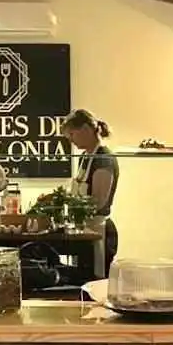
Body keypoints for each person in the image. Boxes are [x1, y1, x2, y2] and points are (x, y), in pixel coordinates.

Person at [63, 108, 120, 274]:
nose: (71, 141)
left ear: (86, 129)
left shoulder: (104, 158)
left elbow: (98, 201)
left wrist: (72, 204)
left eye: (72, 135)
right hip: (85, 230)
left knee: (95, 279)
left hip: (99, 230)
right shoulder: (84, 157)